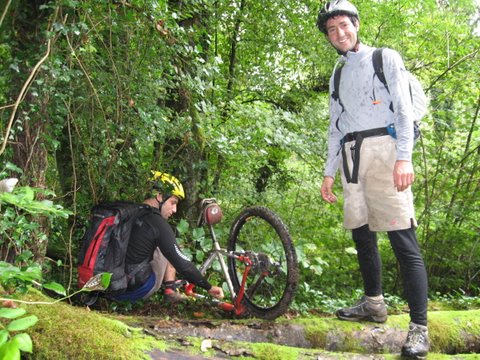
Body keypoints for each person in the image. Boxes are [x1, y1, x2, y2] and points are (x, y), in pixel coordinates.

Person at [316, 1, 429, 358]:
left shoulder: (385, 58)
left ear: (357, 24)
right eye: (331, 29)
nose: (339, 34)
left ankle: (419, 329)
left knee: (402, 240)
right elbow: (336, 126)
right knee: (362, 235)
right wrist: (328, 172)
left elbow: (404, 109)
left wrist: (404, 158)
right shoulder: (337, 73)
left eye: (344, 25)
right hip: (352, 156)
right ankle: (374, 304)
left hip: (386, 151)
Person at [113, 171, 224, 304]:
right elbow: (183, 265)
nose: (175, 209)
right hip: (135, 290)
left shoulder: (129, 211)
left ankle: (170, 289)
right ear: (160, 196)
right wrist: (209, 287)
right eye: (173, 202)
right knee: (170, 245)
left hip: (110, 286)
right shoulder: (157, 223)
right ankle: (170, 290)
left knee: (165, 243)